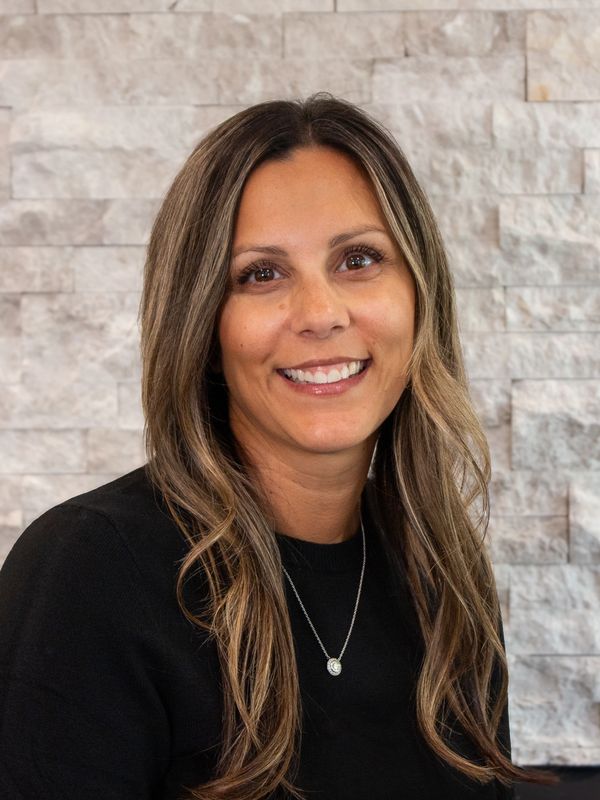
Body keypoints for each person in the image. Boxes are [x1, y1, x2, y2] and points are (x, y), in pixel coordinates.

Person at [0, 93, 559, 800]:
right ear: (203, 328)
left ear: (420, 298)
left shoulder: (441, 575)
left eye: (358, 259)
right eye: (262, 274)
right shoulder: (89, 574)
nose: (321, 314)